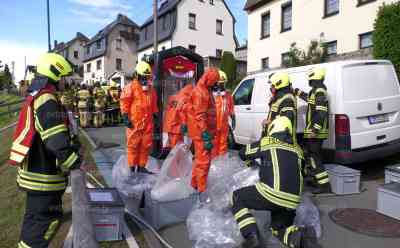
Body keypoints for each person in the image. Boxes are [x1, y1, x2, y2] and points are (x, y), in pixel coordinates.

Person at [9, 53, 82, 248]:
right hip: (43, 178)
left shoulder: (38, 94)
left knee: (34, 223)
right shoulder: (47, 98)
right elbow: (56, 139)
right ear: (56, 74)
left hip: (35, 175)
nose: (67, 82)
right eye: (65, 77)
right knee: (43, 226)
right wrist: (73, 161)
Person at [232, 116, 321, 248]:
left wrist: (251, 164)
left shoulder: (268, 142)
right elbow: (301, 172)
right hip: (292, 200)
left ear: (273, 128)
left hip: (272, 193)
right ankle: (302, 238)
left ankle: (252, 237)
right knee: (278, 229)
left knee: (237, 197)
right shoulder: (298, 150)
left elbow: (243, 152)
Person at [294, 68, 331, 194]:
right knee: (311, 156)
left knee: (315, 158)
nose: (309, 80)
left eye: (310, 78)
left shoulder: (319, 92)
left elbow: (321, 112)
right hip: (313, 131)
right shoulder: (315, 91)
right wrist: (297, 92)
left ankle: (324, 185)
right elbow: (309, 99)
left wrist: (314, 129)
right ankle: (316, 180)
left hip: (316, 132)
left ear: (314, 78)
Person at [120, 61, 158, 174]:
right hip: (134, 123)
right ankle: (132, 167)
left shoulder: (151, 90)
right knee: (133, 146)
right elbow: (124, 102)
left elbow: (154, 104)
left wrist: (155, 114)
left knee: (145, 146)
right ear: (137, 75)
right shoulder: (130, 87)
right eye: (143, 77)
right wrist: (126, 117)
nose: (145, 79)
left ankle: (141, 166)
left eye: (147, 77)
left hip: (148, 123)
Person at [187, 68, 220, 192]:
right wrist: (206, 135)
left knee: (199, 161)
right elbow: (200, 116)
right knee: (203, 163)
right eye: (215, 82)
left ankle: (195, 185)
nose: (216, 85)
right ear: (209, 80)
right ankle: (201, 190)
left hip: (202, 132)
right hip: (201, 133)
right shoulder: (201, 92)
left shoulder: (205, 90)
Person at [262, 72, 297, 144]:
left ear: (278, 84)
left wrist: (270, 121)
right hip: (275, 138)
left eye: (272, 85)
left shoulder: (287, 99)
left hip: (282, 141)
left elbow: (287, 119)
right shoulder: (279, 97)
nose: (271, 87)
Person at [211, 70, 235, 158]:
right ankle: (213, 163)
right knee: (213, 145)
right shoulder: (210, 96)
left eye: (223, 83)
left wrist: (233, 117)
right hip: (213, 126)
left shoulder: (228, 96)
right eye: (220, 83)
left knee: (223, 145)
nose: (222, 86)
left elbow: (231, 108)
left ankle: (221, 162)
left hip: (224, 125)